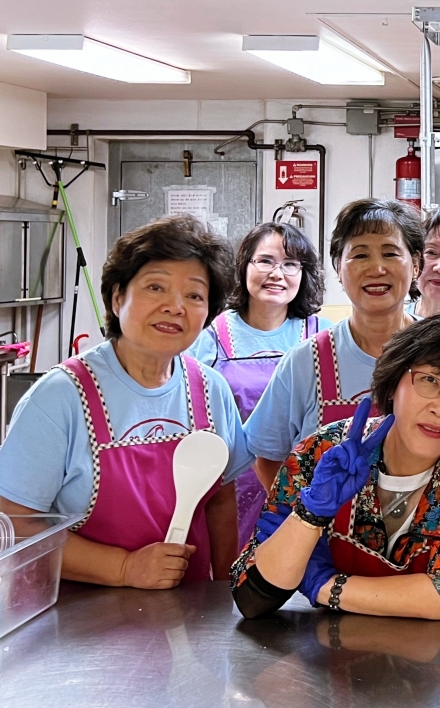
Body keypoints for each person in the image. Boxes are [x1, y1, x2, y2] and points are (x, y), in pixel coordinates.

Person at [0, 215, 253, 588]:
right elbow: (14, 522)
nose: (175, 306)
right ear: (118, 298)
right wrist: (123, 568)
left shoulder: (212, 390)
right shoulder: (61, 396)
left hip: (187, 610)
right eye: (155, 287)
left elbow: (220, 501)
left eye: (194, 295)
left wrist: (226, 594)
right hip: (78, 611)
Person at [231, 312, 440, 619]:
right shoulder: (325, 451)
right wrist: (310, 514)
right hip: (323, 646)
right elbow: (251, 598)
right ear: (393, 383)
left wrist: (324, 586)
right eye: (429, 380)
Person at [245, 198, 423, 482]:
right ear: (338, 267)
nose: (376, 268)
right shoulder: (306, 362)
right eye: (360, 255)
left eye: (390, 253)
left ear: (416, 264)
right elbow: (267, 455)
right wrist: (300, 508)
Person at [188, 222, 331, 547]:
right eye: (265, 261)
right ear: (244, 266)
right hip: (227, 489)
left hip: (306, 492)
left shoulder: (323, 336)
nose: (277, 274)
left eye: (290, 264)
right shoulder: (209, 336)